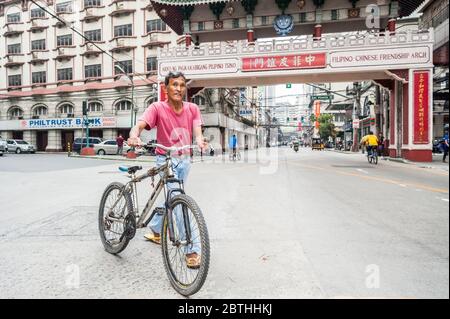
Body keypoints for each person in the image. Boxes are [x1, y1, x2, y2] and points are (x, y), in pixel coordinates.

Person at [127, 71, 207, 269]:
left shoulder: (193, 108)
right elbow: (140, 125)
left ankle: (155, 228)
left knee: (172, 197)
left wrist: (199, 140)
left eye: (182, 85)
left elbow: (197, 130)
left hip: (185, 157)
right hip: (165, 158)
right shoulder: (157, 107)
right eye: (174, 85)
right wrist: (134, 135)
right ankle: (191, 250)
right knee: (178, 202)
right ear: (166, 88)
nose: (178, 88)